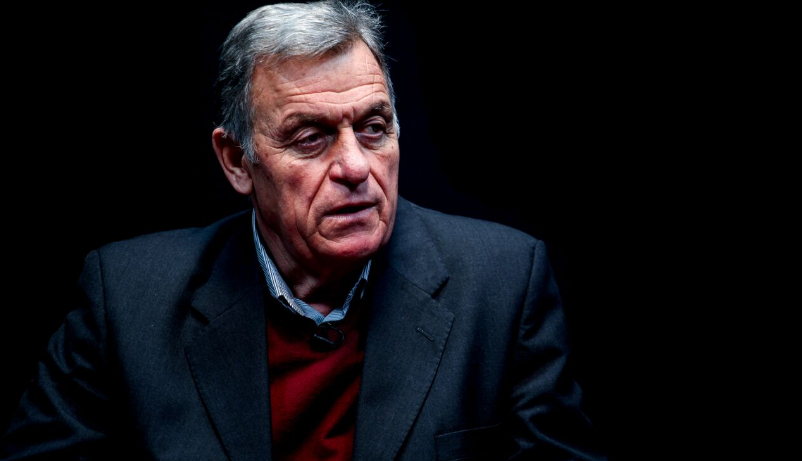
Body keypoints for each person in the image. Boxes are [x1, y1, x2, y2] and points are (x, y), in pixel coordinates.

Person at [1, 1, 605, 459]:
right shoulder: (127, 298)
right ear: (237, 162)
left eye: (373, 128)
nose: (355, 168)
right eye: (311, 138)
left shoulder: (503, 284)